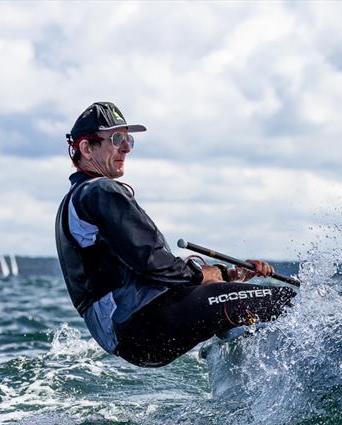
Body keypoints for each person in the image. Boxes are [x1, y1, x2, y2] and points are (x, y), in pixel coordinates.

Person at [55, 102, 294, 367]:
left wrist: (227, 275)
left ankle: (252, 370)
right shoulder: (99, 192)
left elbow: (143, 269)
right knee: (288, 300)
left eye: (128, 139)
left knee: (245, 305)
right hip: (142, 323)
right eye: (116, 139)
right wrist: (201, 274)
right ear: (87, 149)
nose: (126, 147)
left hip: (133, 335)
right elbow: (150, 261)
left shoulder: (76, 200)